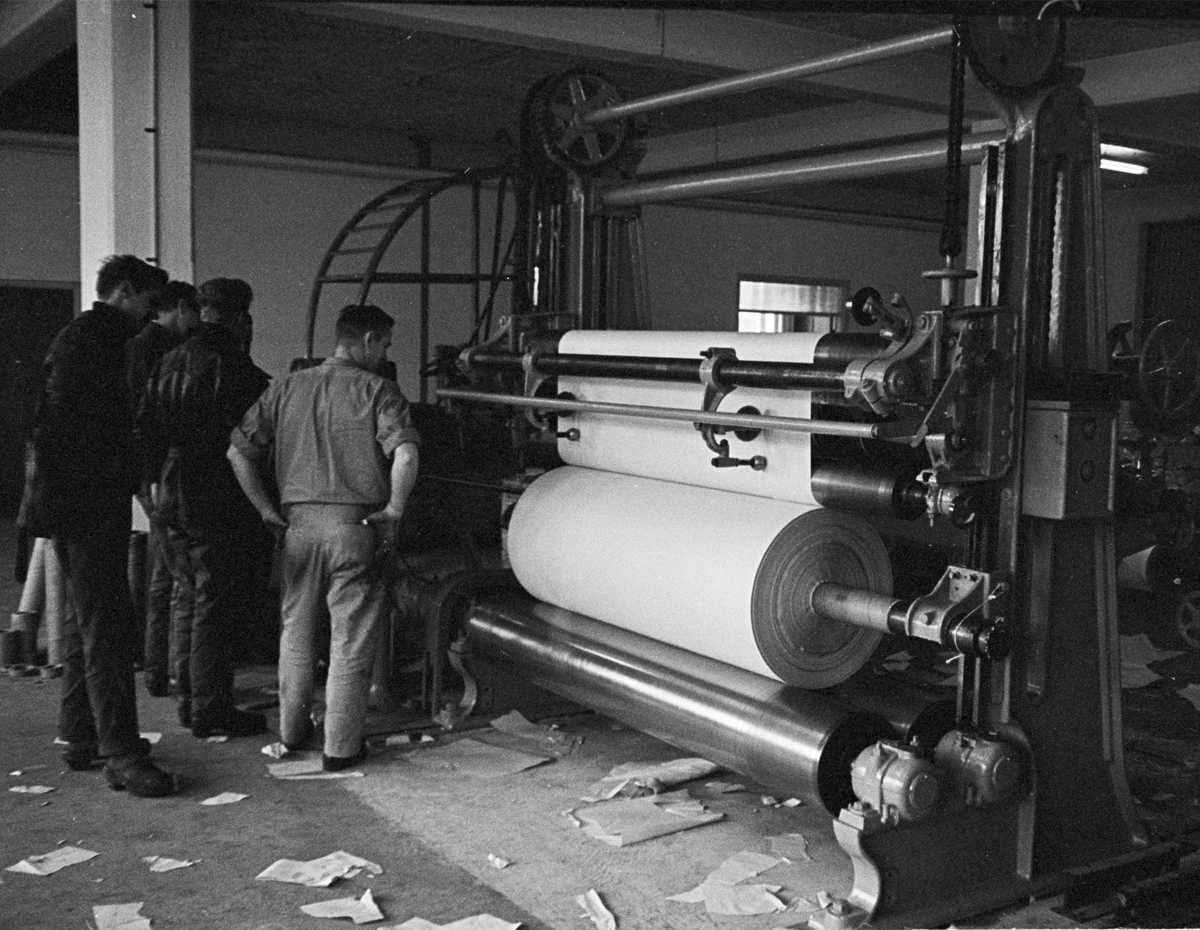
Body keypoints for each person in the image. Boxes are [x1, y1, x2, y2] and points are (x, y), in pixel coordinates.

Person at [228, 303, 419, 771]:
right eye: (385, 344)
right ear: (367, 340)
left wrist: (266, 510)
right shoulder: (378, 390)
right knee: (349, 640)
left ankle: (293, 734)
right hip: (354, 529)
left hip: (297, 530)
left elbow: (237, 453)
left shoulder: (285, 387)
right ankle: (341, 748)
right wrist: (395, 509)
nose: (385, 354)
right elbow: (406, 454)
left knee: (296, 633)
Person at [26, 254, 176, 797]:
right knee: (108, 626)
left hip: (74, 503)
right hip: (87, 504)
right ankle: (121, 753)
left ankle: (81, 735)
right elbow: (85, 430)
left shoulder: (84, 337)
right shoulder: (102, 342)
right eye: (148, 303)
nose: (150, 315)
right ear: (126, 291)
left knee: (87, 620)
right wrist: (134, 478)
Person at [137, 277, 270, 738]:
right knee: (215, 601)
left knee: (186, 593)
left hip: (171, 487)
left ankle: (187, 699)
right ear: (240, 317)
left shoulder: (168, 360)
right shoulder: (236, 369)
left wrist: (152, 490)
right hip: (215, 490)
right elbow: (251, 444)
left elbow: (145, 430)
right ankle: (210, 709)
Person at [127, 280, 200, 697]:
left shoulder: (139, 345)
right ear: (182, 308)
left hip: (152, 475)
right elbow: (148, 419)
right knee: (182, 579)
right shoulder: (165, 350)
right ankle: (181, 677)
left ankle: (158, 672)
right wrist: (152, 480)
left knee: (161, 576)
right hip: (165, 475)